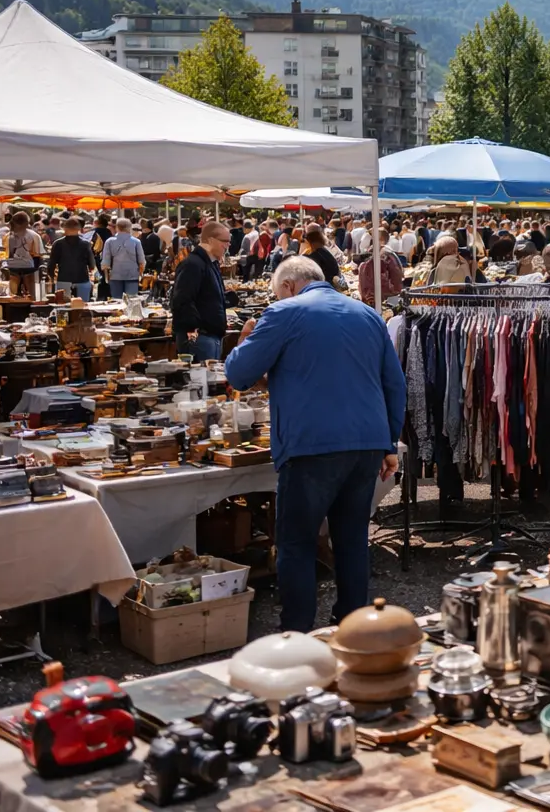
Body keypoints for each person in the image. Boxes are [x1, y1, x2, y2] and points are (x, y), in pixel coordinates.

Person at [225, 256, 406, 632]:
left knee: (297, 542)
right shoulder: (367, 315)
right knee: (352, 538)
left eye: (278, 293)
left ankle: (297, 632)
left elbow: (239, 374)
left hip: (311, 444)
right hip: (366, 441)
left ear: (288, 286)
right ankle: (354, 626)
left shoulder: (284, 312)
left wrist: (243, 341)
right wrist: (389, 443)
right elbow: (394, 383)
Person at [170, 220, 231, 362]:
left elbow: (206, 296)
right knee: (201, 375)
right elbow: (181, 300)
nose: (227, 246)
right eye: (225, 241)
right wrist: (193, 328)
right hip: (200, 338)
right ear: (210, 240)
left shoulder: (209, 263)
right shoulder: (193, 264)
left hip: (210, 336)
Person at [47, 217, 95, 301]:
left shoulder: (57, 244)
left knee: (63, 305)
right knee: (83, 305)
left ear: (65, 228)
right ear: (79, 229)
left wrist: (51, 277)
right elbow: (92, 264)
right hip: (82, 279)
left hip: (63, 279)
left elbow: (51, 264)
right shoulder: (86, 244)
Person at [101, 218, 146, 298]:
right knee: (131, 299)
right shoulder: (136, 241)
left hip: (115, 275)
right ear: (129, 228)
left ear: (117, 227)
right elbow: (141, 261)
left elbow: (105, 262)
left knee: (117, 300)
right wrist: (140, 273)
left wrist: (106, 276)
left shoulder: (109, 241)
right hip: (132, 275)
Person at [4, 211, 44, 299]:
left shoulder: (8, 236)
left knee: (13, 297)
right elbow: (37, 255)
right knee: (33, 296)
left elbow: (6, 254)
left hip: (13, 269)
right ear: (27, 223)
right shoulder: (34, 235)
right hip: (30, 268)